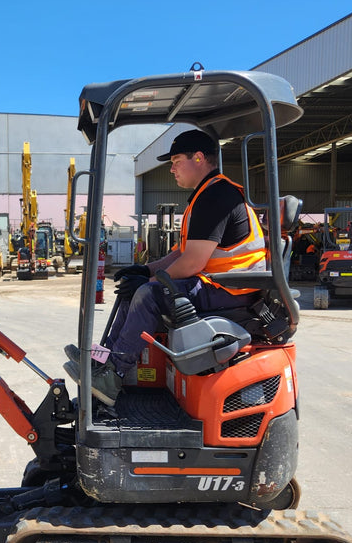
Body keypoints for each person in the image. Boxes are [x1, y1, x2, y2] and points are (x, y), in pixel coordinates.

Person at [65, 128, 267, 408]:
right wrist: (144, 270)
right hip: (219, 285)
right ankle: (104, 362)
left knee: (148, 295)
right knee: (134, 289)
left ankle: (114, 375)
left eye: (175, 161)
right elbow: (181, 254)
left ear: (198, 158)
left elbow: (193, 263)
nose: (171, 169)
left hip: (231, 290)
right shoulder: (207, 194)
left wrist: (150, 282)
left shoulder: (217, 196)